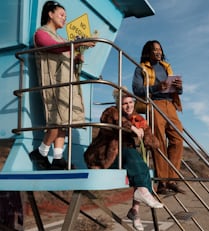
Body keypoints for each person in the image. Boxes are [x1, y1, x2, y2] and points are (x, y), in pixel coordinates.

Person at [84, 88, 163, 231]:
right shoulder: (111, 111)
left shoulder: (136, 117)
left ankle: (135, 211)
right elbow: (116, 120)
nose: (128, 106)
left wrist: (148, 137)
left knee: (142, 165)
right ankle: (143, 193)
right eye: (124, 103)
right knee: (132, 155)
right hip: (104, 156)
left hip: (124, 156)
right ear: (118, 104)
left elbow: (149, 136)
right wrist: (133, 128)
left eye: (130, 102)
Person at [29, 1, 95, 170]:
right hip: (54, 83)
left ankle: (57, 157)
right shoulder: (41, 33)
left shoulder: (62, 39)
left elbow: (63, 51)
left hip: (66, 84)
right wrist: (78, 44)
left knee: (66, 121)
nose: (64, 19)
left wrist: (76, 58)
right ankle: (41, 152)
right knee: (57, 119)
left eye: (65, 16)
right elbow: (52, 47)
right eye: (61, 15)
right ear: (50, 14)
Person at [132, 40, 185, 194]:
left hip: (171, 105)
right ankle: (162, 183)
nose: (158, 52)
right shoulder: (141, 68)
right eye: (155, 49)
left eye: (160, 49)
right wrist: (156, 87)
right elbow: (137, 89)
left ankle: (172, 180)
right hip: (154, 104)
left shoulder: (166, 67)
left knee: (178, 139)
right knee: (159, 142)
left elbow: (176, 90)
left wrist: (179, 88)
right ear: (148, 52)